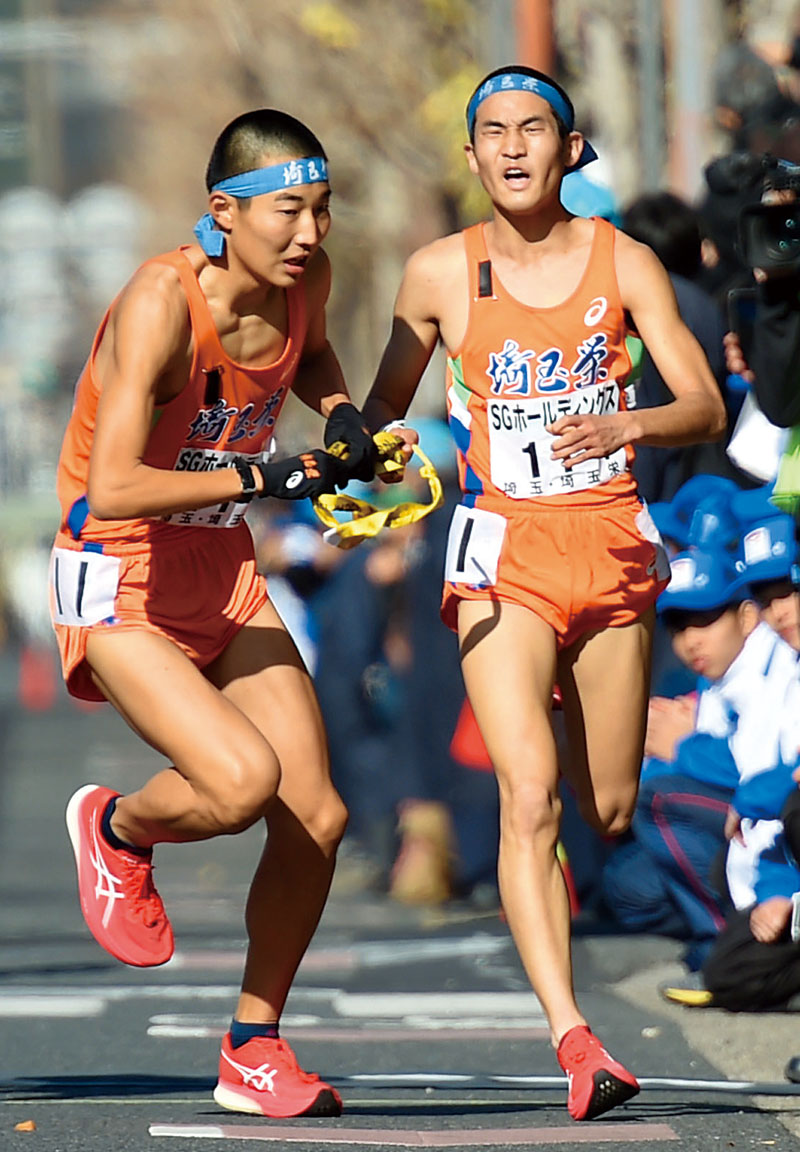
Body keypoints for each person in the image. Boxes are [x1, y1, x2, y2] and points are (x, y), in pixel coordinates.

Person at [361, 64, 726, 1122]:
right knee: (525, 797)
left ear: (570, 152)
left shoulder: (624, 262)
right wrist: (365, 449)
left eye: (534, 129)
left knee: (601, 806)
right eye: (492, 132)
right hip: (498, 560)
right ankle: (575, 1038)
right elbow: (382, 411)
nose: (513, 146)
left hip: (608, 550)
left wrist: (630, 423)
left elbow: (700, 400)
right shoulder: (436, 273)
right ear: (469, 155)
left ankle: (566, 736)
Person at [48, 108, 379, 1119]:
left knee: (316, 816)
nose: (311, 235)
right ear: (222, 214)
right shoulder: (160, 303)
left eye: (321, 211)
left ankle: (253, 1044)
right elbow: (110, 488)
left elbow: (313, 357)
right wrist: (265, 469)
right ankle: (117, 826)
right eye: (288, 212)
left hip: (218, 562)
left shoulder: (302, 281)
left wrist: (345, 421)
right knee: (238, 784)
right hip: (121, 570)